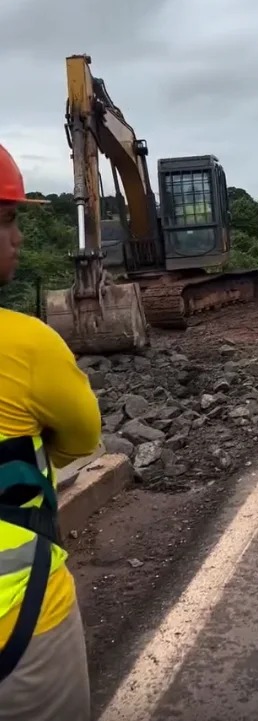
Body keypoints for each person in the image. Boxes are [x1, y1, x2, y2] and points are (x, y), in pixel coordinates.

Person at [0, 144, 101, 720]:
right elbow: (83, 439)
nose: (18, 239)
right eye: (9, 219)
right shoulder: (25, 343)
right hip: (22, 628)